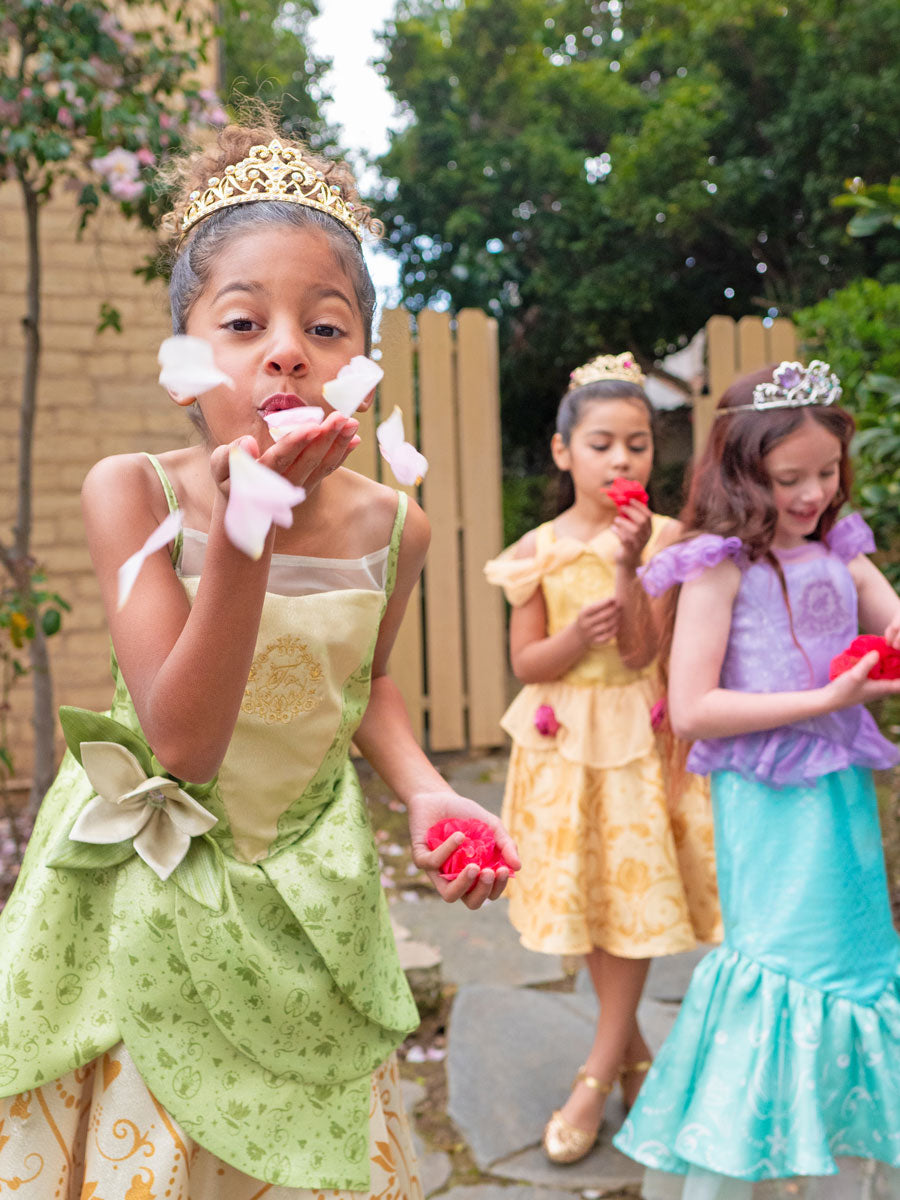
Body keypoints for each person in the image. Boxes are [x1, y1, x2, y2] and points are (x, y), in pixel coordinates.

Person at [0, 116, 519, 1200]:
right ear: (184, 366)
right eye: (243, 322)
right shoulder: (131, 493)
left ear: (361, 366)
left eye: (327, 327)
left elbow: (362, 682)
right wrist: (251, 534)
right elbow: (183, 739)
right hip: (148, 889)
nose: (288, 348)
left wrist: (427, 792)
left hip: (306, 893)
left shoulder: (397, 528)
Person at [613, 361, 900, 1198]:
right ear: (742, 472)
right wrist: (829, 696)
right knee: (784, 965)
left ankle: (839, 1159)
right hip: (769, 804)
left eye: (827, 473)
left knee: (853, 967)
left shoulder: (840, 551)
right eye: (790, 478)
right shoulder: (716, 566)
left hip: (840, 796)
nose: (813, 493)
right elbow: (693, 707)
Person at [484, 354, 721, 1165]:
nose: (622, 461)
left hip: (637, 743)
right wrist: (564, 638)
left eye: (638, 445)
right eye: (602, 445)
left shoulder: (666, 541)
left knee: (633, 904)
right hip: (563, 745)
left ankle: (594, 1072)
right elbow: (526, 663)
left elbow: (643, 652)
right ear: (563, 453)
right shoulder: (536, 550)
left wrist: (627, 568)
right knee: (590, 904)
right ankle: (633, 1057)